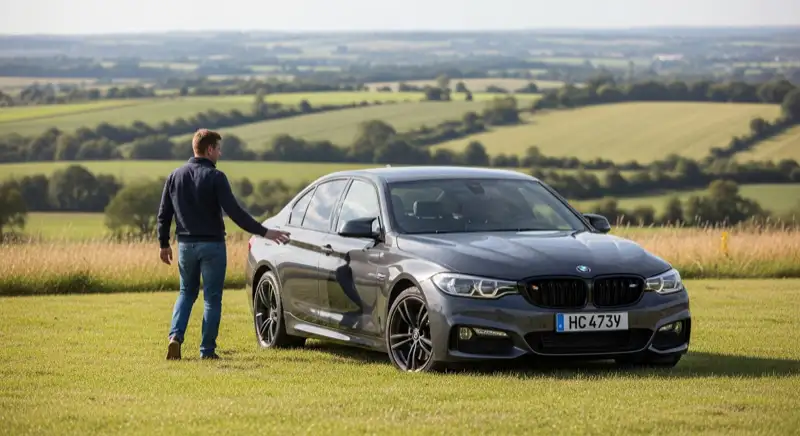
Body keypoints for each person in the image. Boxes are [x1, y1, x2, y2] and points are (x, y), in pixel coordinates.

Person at [156, 128, 290, 361]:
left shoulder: (175, 176)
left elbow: (164, 214)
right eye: (218, 148)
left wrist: (164, 243)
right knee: (212, 298)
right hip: (213, 247)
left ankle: (175, 338)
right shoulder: (216, 177)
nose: (220, 153)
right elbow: (235, 213)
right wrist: (265, 232)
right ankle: (206, 351)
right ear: (209, 149)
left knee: (186, 293)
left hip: (186, 245)